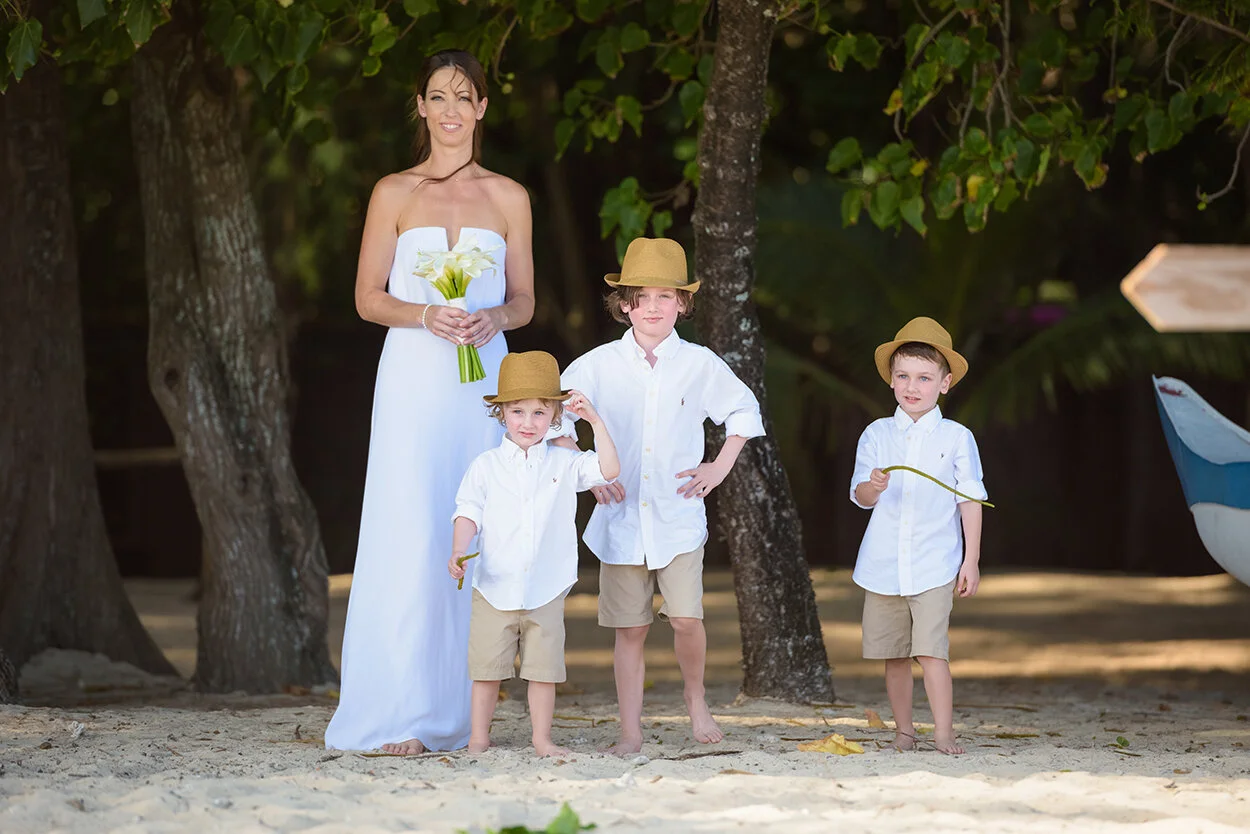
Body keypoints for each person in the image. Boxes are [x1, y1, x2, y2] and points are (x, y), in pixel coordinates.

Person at [325, 50, 535, 754]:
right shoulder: (394, 192)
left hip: (482, 380)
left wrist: (492, 320)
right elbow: (366, 297)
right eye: (437, 95)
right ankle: (396, 716)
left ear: (482, 109)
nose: (450, 108)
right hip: (414, 375)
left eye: (464, 96)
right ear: (420, 107)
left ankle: (459, 717)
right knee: (410, 526)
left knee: (473, 529)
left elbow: (525, 301)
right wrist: (424, 315)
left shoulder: (509, 196)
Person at [551, 237, 765, 754]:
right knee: (631, 629)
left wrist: (719, 466)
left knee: (688, 618)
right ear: (624, 304)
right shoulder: (595, 365)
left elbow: (742, 412)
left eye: (665, 297)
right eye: (641, 297)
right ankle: (630, 730)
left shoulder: (699, 363)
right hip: (619, 518)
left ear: (682, 305)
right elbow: (553, 420)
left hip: (678, 514)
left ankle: (696, 697)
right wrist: (589, 474)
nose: (652, 307)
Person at [447, 351, 621, 757]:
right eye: (518, 411)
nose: (528, 422)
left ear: (556, 416)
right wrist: (460, 547)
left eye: (540, 413)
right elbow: (467, 510)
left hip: (546, 586)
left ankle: (542, 739)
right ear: (501, 413)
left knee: (543, 671)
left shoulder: (566, 462)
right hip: (494, 586)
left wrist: (594, 420)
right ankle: (478, 739)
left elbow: (610, 470)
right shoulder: (486, 466)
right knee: (487, 671)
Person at [849, 316, 986, 755]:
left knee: (931, 652)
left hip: (935, 562)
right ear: (891, 380)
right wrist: (874, 484)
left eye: (924, 378)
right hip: (884, 565)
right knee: (894, 655)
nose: (913, 386)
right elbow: (861, 496)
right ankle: (904, 732)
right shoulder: (876, 433)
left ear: (944, 384)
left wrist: (971, 559)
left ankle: (944, 732)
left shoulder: (956, 437)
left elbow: (970, 499)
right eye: (904, 376)